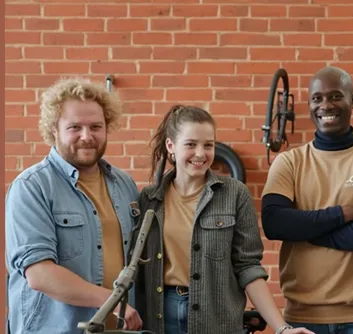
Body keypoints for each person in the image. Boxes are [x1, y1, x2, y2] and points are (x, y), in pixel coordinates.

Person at [130, 105, 312, 334]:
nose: (200, 153)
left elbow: (248, 267)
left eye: (208, 145)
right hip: (161, 315)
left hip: (217, 317)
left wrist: (282, 328)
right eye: (190, 144)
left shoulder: (235, 194)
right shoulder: (150, 198)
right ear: (171, 146)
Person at [261, 66, 353, 334]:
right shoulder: (289, 162)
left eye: (336, 96)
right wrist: (344, 214)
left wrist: (307, 231)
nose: (326, 105)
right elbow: (274, 223)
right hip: (302, 316)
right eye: (317, 98)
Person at [5, 77, 143, 333]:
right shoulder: (31, 187)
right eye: (75, 127)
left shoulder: (124, 184)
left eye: (96, 126)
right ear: (54, 129)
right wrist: (111, 301)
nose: (86, 136)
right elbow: (39, 274)